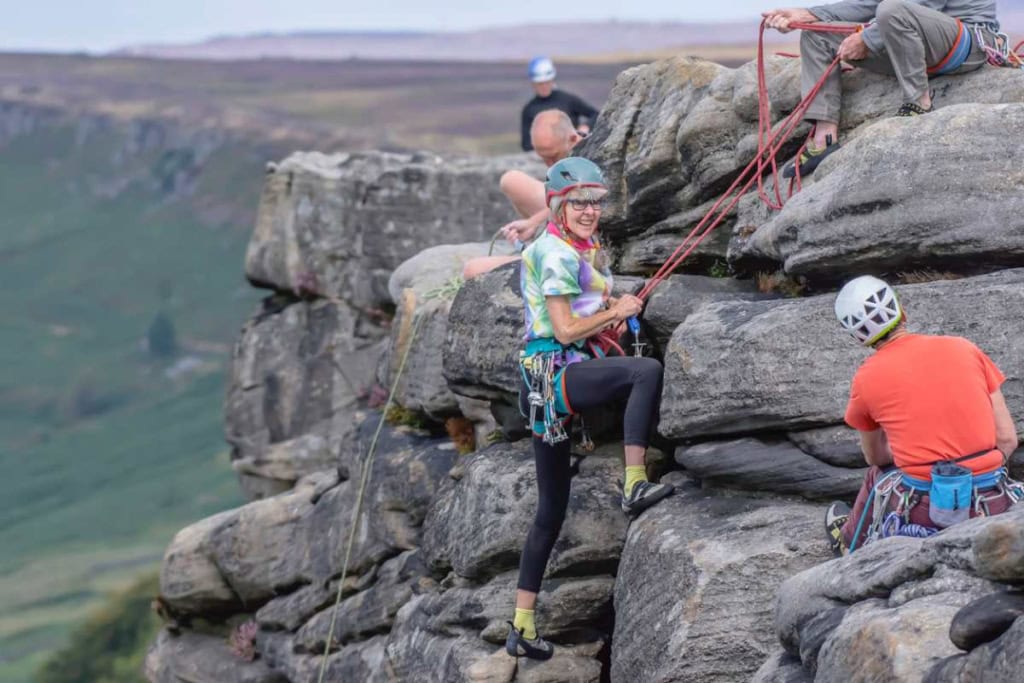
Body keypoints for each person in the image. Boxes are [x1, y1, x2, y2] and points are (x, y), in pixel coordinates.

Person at [505, 157, 674, 660]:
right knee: (645, 372)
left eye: (596, 202)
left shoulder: (575, 247)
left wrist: (605, 315)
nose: (589, 211)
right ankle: (634, 482)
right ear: (557, 205)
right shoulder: (556, 254)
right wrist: (617, 312)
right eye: (579, 202)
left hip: (543, 389)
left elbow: (576, 319)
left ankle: (521, 624)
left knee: (550, 510)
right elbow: (561, 330)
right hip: (557, 374)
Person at [825, 275, 1021, 556]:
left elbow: (876, 458)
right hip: (992, 501)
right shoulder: (964, 347)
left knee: (875, 477)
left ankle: (847, 543)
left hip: (924, 511)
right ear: (901, 310)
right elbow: (1007, 439)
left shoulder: (866, 379)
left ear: (858, 336)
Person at [763, 1, 1001, 177]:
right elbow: (868, 3)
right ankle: (825, 139)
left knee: (892, 9)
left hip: (967, 44)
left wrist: (867, 39)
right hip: (916, 42)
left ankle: (919, 104)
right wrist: (808, 14)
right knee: (817, 35)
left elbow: (922, 4)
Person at [463, 110, 582, 279]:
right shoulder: (569, 162)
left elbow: (574, 204)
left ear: (572, 139)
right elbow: (564, 201)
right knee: (511, 180)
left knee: (473, 270)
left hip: (567, 254)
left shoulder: (588, 169)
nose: (549, 165)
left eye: (553, 157)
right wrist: (532, 224)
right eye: (543, 158)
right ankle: (534, 241)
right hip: (560, 223)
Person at [520, 57, 598, 152]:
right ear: (533, 84)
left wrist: (585, 126)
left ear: (552, 80)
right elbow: (526, 144)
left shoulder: (568, 100)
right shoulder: (529, 109)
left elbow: (595, 114)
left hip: (573, 152)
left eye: (547, 82)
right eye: (540, 84)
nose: (544, 86)